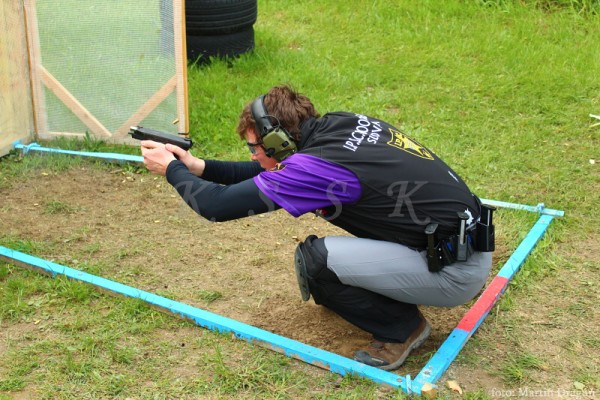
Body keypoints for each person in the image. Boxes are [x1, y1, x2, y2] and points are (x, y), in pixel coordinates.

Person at [140, 85, 494, 370]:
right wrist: (196, 166)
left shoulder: (317, 169)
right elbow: (272, 172)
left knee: (316, 263)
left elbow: (215, 206)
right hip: (460, 246)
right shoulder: (341, 125)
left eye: (254, 146)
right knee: (326, 263)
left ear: (278, 142)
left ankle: (402, 329)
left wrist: (171, 169)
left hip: (453, 273)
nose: (251, 154)